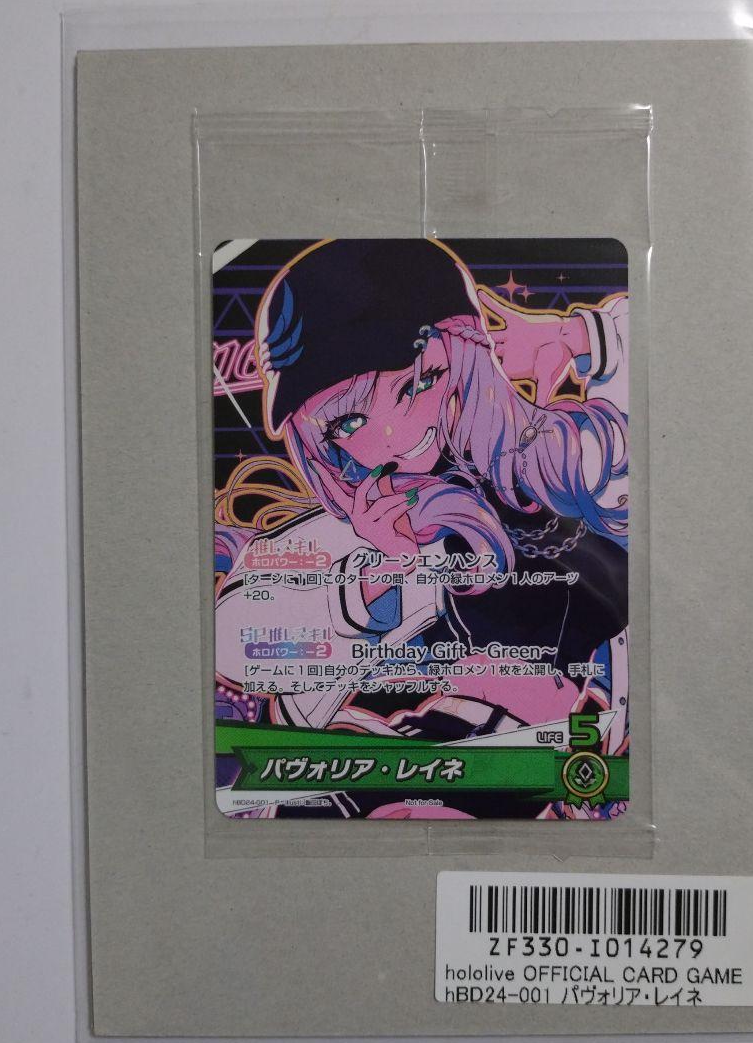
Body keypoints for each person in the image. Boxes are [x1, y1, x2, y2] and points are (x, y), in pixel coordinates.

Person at [215, 239, 630, 814]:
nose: (397, 435)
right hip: (446, 764)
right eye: (348, 422)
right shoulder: (363, 529)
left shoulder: (566, 455)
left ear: (466, 359)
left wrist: (579, 336)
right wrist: (379, 574)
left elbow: (689, 347)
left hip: (577, 765)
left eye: (421, 382)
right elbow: (239, 642)